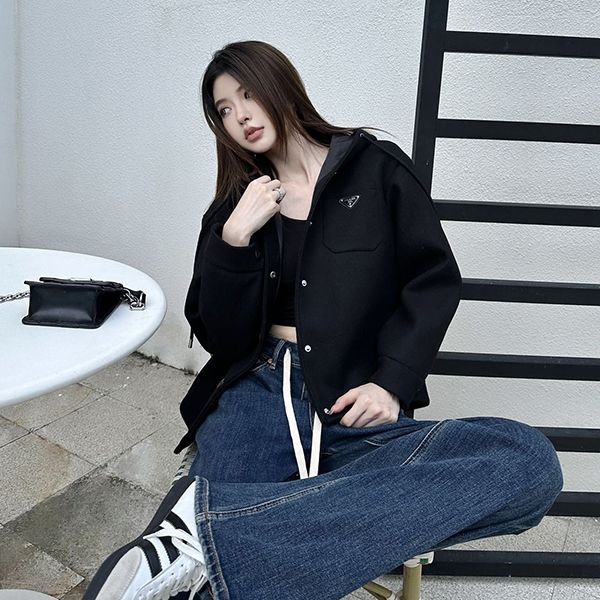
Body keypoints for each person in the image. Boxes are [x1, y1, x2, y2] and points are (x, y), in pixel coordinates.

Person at [83, 40, 564, 600]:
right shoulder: (237, 206)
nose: (240, 116)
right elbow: (221, 338)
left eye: (248, 94)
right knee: (187, 583)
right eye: (224, 109)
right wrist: (233, 241)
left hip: (355, 395)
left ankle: (203, 529)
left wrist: (391, 382)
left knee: (529, 466)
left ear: (282, 86)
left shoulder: (376, 168)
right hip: (259, 390)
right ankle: (219, 547)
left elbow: (432, 282)